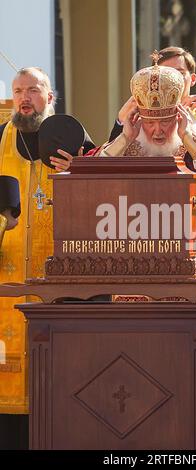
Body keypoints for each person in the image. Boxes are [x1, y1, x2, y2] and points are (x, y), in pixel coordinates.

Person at [0, 67, 94, 449]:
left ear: (50, 97)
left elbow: (105, 193)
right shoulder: (1, 139)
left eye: (34, 90)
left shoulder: (74, 138)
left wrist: (82, 169)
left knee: (57, 389)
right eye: (19, 90)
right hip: (6, 281)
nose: (25, 97)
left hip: (58, 284)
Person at [87, 59, 196, 279]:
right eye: (150, 123)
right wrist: (125, 138)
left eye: (165, 123)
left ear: (178, 119)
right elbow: (91, 177)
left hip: (188, 247)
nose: (157, 131)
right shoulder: (128, 140)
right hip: (134, 244)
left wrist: (188, 137)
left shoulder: (189, 139)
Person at [109, 46, 196, 154]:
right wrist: (121, 123)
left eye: (179, 72)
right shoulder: (136, 121)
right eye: (165, 73)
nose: (172, 79)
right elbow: (104, 168)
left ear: (192, 79)